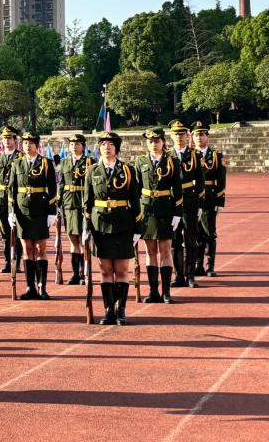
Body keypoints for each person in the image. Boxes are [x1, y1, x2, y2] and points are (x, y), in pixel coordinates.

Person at [83, 132, 142, 325]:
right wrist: (86, 227)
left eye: (110, 144)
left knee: (122, 269)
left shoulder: (127, 170)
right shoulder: (92, 170)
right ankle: (108, 310)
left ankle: (121, 309)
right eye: (103, 144)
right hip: (100, 224)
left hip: (123, 223)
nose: (106, 147)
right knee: (105, 269)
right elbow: (87, 202)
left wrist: (138, 228)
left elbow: (135, 200)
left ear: (116, 148)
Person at [7, 131, 58, 301]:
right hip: (22, 211)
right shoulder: (17, 163)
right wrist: (11, 211)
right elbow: (11, 189)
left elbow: (53, 188)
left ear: (37, 145)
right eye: (25, 143)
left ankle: (42, 286)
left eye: (30, 143)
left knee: (40, 249)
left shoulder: (45, 163)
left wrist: (52, 212)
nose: (27, 146)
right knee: (27, 249)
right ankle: (30, 287)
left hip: (40, 210)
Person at [134, 128, 183, 304]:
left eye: (157, 141)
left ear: (163, 142)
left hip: (165, 209)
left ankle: (166, 292)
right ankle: (153, 291)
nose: (154, 144)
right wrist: (135, 214)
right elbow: (136, 190)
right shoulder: (140, 161)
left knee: (165, 250)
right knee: (150, 251)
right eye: (150, 141)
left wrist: (177, 212)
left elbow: (177, 188)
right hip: (147, 209)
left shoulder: (172, 161)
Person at [169, 120, 205, 290]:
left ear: (187, 136)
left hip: (190, 200)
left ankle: (190, 275)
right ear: (171, 136)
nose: (179, 137)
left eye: (182, 134)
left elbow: (201, 182)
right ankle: (178, 275)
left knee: (191, 239)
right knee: (175, 240)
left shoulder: (194, 156)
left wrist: (200, 205)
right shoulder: (167, 156)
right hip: (172, 201)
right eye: (176, 134)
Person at [192, 121, 226, 277]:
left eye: (202, 134)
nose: (199, 137)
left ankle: (210, 266)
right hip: (193, 198)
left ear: (207, 137)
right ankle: (198, 265)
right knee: (196, 233)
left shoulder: (216, 156)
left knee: (209, 233)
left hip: (209, 198)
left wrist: (220, 202)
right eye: (196, 135)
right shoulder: (189, 155)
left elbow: (221, 181)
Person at [59, 133, 91, 285]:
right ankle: (75, 274)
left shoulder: (90, 162)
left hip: (82, 203)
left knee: (83, 239)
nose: (74, 147)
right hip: (69, 204)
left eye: (77, 144)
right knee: (72, 239)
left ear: (83, 146)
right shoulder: (65, 162)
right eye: (71, 144)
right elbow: (61, 183)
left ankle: (84, 272)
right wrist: (57, 203)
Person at [0, 126, 21, 274]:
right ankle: (8, 261)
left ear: (15, 140)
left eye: (9, 138)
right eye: (4, 138)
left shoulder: (20, 157)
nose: (7, 141)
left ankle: (17, 261)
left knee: (16, 231)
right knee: (4, 232)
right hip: (1, 198)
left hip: (16, 198)